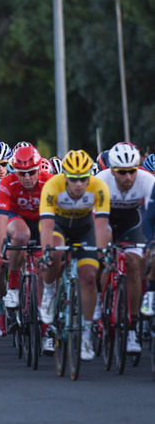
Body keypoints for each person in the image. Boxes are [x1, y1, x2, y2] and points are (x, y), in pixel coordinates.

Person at [39, 150, 110, 361]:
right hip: (59, 226)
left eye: (83, 178)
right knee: (54, 253)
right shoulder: (53, 186)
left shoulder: (99, 187)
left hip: (85, 227)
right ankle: (50, 293)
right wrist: (46, 251)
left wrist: (101, 252)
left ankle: (86, 333)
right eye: (73, 179)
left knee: (89, 276)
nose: (79, 184)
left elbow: (101, 225)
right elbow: (46, 225)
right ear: (65, 177)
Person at [96, 142, 155, 353]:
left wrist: (150, 243)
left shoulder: (148, 181)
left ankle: (132, 327)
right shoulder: (100, 181)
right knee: (101, 261)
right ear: (112, 170)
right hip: (106, 221)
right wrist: (103, 249)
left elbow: (151, 217)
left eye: (132, 171)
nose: (128, 177)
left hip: (133, 222)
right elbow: (97, 221)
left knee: (134, 265)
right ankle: (98, 304)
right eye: (122, 172)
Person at [0, 145, 52, 350]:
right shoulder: (8, 183)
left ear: (39, 169)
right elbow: (0, 220)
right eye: (22, 173)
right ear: (14, 171)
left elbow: (57, 220)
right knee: (21, 236)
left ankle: (47, 332)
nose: (27, 178)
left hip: (42, 222)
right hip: (17, 220)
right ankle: (15, 287)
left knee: (45, 273)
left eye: (31, 172)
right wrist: (1, 251)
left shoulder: (49, 181)